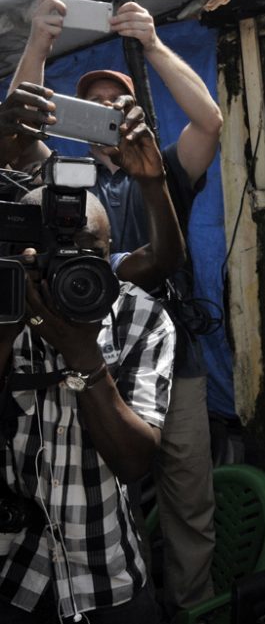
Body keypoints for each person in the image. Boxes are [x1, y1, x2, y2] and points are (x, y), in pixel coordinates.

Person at [9, 0, 224, 619]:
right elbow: (19, 134)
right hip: (79, 349)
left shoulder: (164, 169)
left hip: (167, 356)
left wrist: (153, 43)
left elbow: (210, 123)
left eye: (120, 103)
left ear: (140, 116)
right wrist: (40, 40)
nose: (107, 112)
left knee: (187, 495)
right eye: (94, 104)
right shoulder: (71, 183)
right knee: (88, 485)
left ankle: (190, 603)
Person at [0, 107, 176, 622]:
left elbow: (135, 462)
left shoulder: (139, 316)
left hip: (107, 574)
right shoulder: (7, 304)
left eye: (87, 255)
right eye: (53, 254)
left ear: (111, 253)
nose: (70, 271)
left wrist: (82, 353)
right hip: (14, 574)